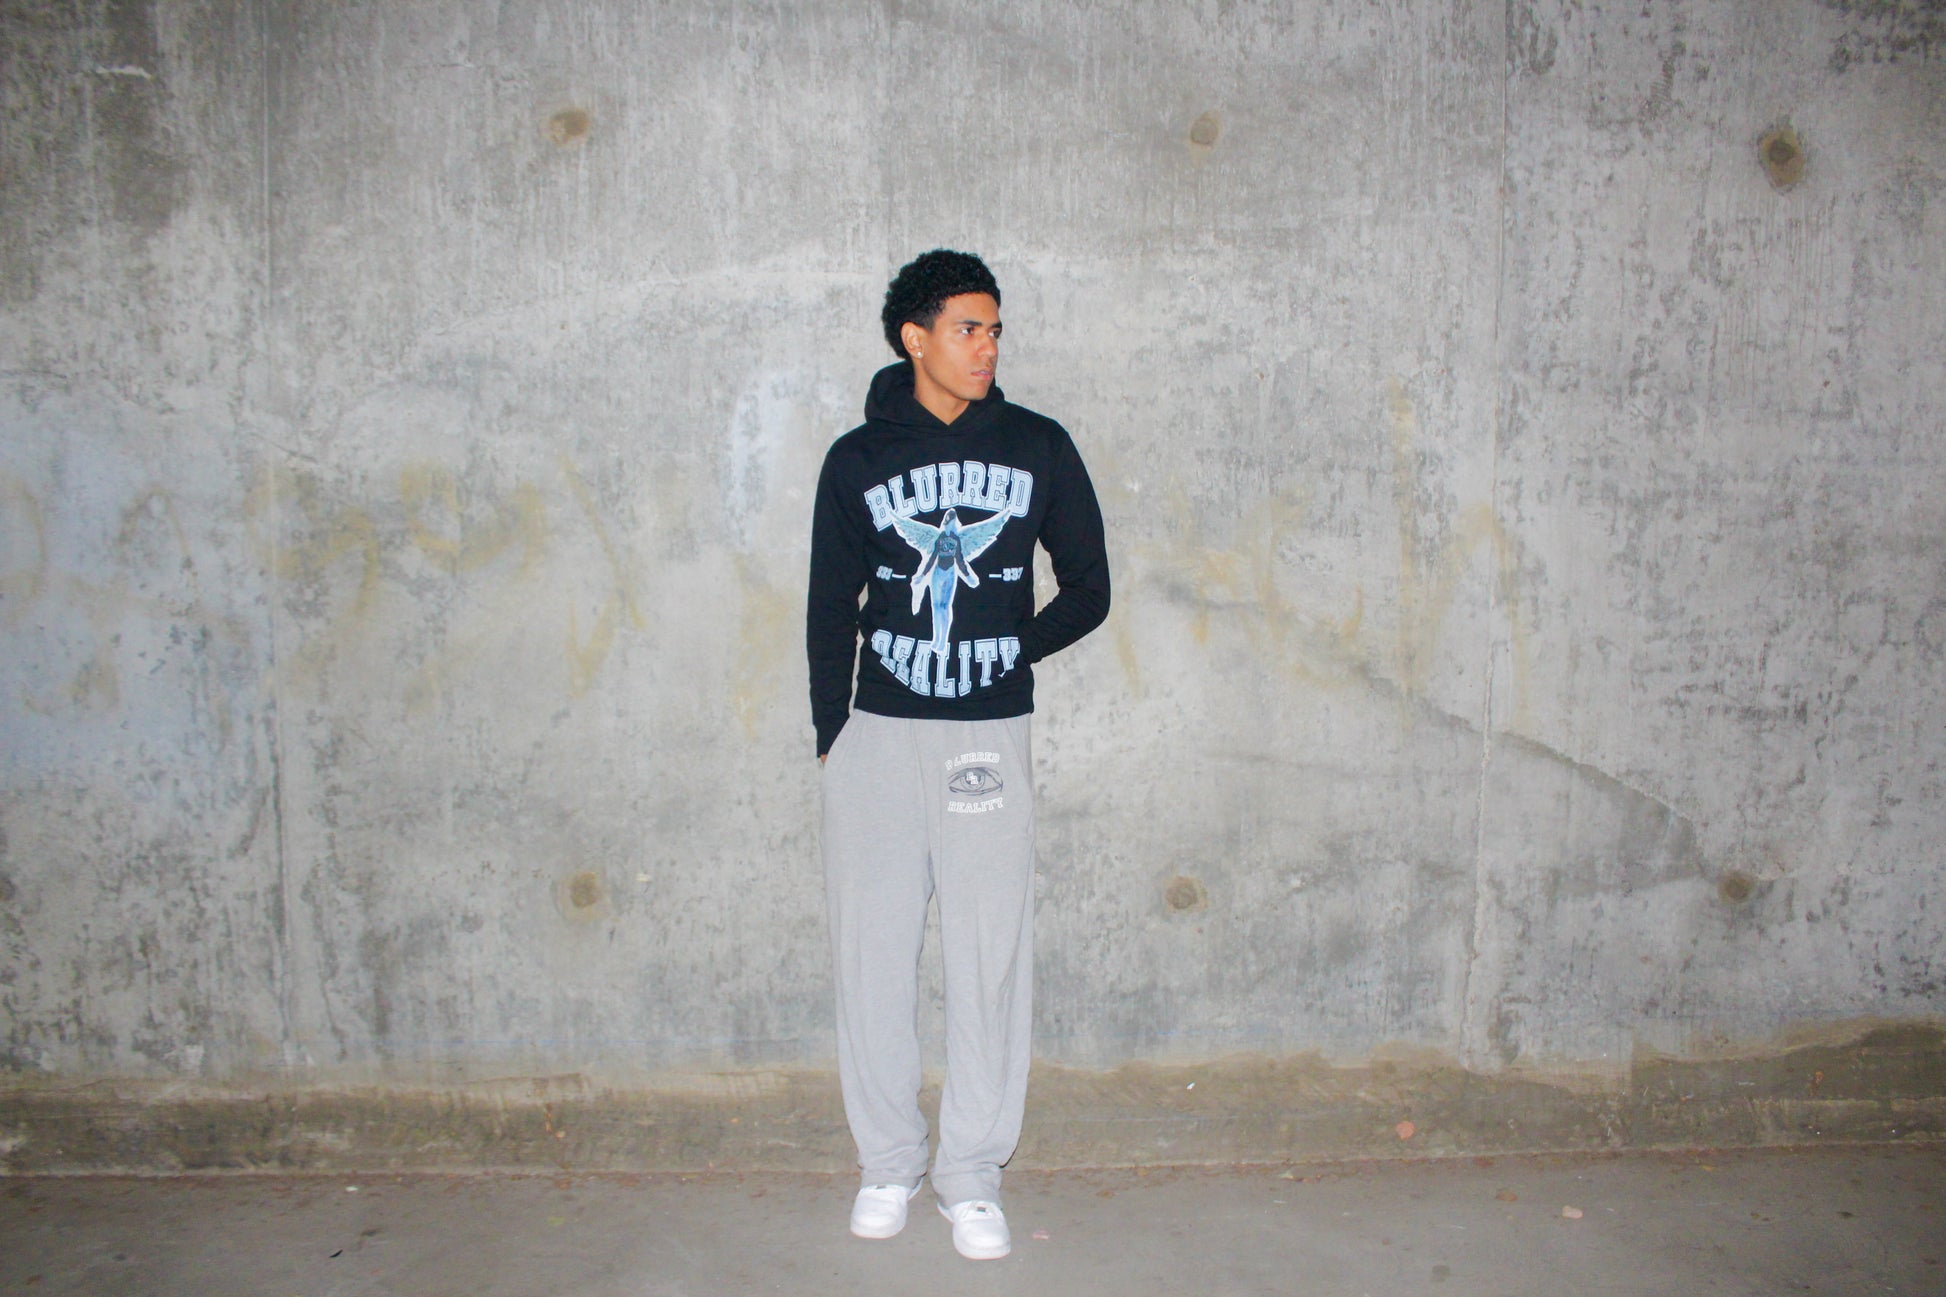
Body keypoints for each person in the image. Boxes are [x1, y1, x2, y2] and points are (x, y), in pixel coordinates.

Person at [805, 249, 1110, 1260]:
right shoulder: (857, 459)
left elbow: (1090, 587)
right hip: (878, 736)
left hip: (987, 735)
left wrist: (1010, 650)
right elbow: (828, 604)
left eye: (994, 330)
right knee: (873, 957)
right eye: (968, 328)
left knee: (988, 958)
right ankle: (887, 1161)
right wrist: (834, 734)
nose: (987, 347)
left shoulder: (1037, 446)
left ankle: (970, 1174)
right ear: (916, 337)